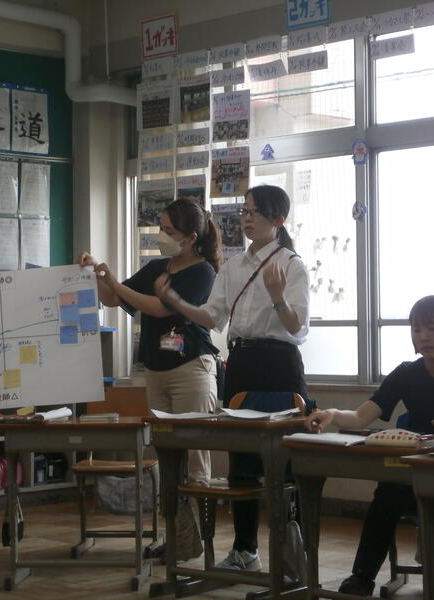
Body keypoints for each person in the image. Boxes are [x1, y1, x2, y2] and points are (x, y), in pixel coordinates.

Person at [154, 184, 310, 575]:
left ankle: (292, 553)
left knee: (286, 462)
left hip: (280, 365)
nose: (246, 218)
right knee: (241, 460)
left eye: (255, 211)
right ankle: (245, 551)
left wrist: (278, 296)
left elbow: (297, 327)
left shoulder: (292, 265)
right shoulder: (234, 266)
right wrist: (175, 302)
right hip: (241, 362)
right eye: (244, 210)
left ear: (278, 219)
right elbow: (212, 318)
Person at [306, 295, 434, 598]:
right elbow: (361, 416)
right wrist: (331, 413)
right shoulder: (407, 373)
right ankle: (362, 577)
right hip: (410, 473)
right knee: (387, 492)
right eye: (416, 330)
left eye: (432, 328)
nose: (423, 337)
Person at [78, 198, 221, 488]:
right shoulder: (156, 267)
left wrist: (115, 284)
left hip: (190, 368)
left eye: (169, 231)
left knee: (195, 451)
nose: (161, 236)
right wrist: (96, 275)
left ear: (191, 238)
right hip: (155, 370)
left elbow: (159, 308)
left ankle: (198, 513)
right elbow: (114, 299)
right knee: (164, 447)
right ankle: (168, 511)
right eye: (161, 227)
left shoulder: (203, 271)